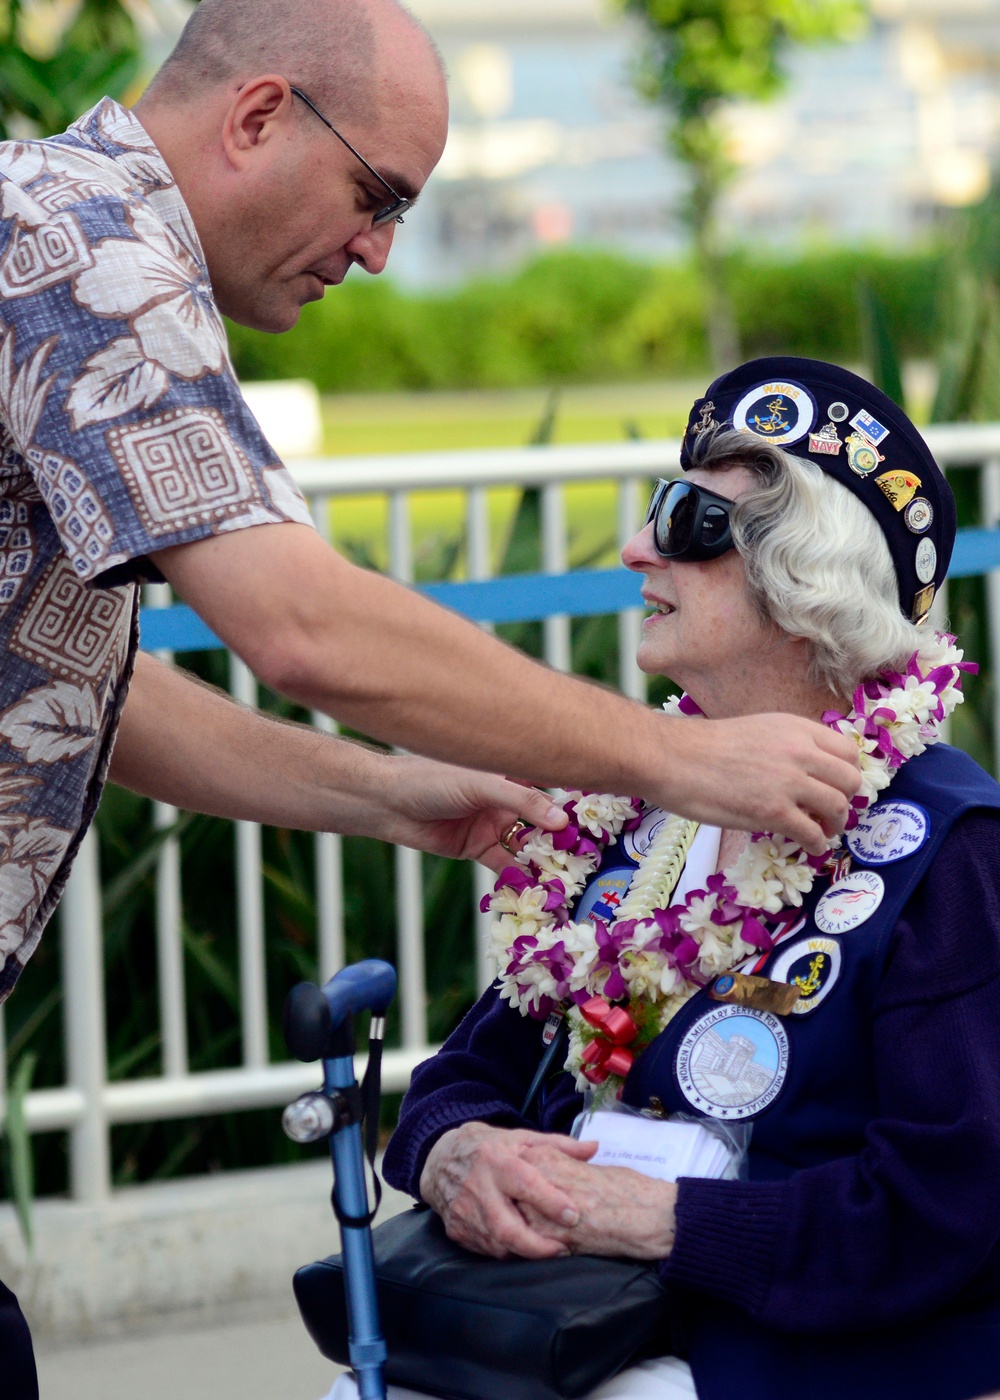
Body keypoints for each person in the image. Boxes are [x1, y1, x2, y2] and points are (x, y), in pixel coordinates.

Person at [358, 358, 1000, 1400]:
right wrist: (456, 1154)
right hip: (576, 1327)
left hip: (797, 1361)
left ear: (806, 581)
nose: (635, 546)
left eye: (687, 521)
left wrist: (656, 1218)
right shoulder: (637, 804)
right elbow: (461, 1079)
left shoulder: (946, 844)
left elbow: (949, 1207)